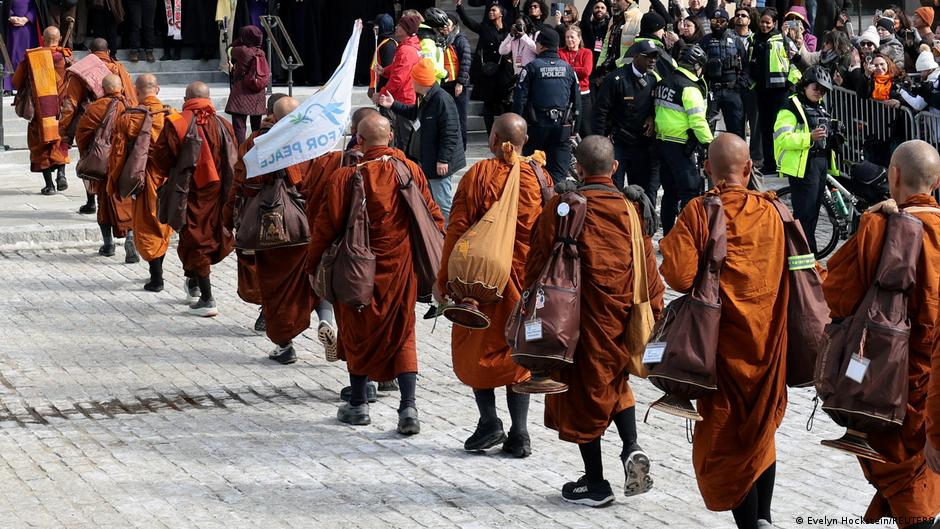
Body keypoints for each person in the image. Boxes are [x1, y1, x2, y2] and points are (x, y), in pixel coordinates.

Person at [525, 135, 664, 506]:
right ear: (614, 168)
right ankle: (630, 447)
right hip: (620, 317)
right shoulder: (630, 211)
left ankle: (595, 482)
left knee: (585, 392)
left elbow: (537, 263)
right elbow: (649, 272)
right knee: (614, 381)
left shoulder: (563, 206)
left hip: (573, 320)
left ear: (578, 169)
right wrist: (655, 312)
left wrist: (530, 309)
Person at [660, 133, 790, 529]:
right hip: (767, 344)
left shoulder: (700, 211)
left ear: (706, 169)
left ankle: (750, 525)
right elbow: (805, 271)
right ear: (749, 169)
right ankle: (764, 518)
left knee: (726, 441)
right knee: (760, 431)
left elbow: (678, 276)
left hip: (719, 347)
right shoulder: (776, 212)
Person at [825, 140, 940, 529]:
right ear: (937, 183)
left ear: (892, 177)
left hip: (892, 384)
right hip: (934, 384)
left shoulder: (880, 229)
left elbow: (835, 295)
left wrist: (869, 227)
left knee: (905, 480)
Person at [307, 113, 445, 434]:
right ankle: (408, 408)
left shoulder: (345, 177)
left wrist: (313, 263)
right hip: (400, 268)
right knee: (403, 332)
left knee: (356, 329)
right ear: (391, 137)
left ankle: (358, 404)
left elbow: (326, 228)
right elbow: (432, 217)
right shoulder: (409, 170)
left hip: (357, 269)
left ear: (359, 140)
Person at [437, 113, 548, 459]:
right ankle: (520, 433)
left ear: (493, 139)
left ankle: (489, 422)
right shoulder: (540, 178)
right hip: (525, 282)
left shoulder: (477, 176)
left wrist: (444, 279)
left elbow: (456, 229)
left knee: (475, 347)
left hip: (482, 285)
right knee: (518, 351)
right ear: (524, 141)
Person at [235, 97, 318, 365]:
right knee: (309, 281)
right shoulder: (313, 142)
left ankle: (285, 344)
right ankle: (325, 321)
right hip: (306, 224)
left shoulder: (257, 142)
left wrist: (233, 216)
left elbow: (243, 182)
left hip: (270, 227)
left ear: (271, 115)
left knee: (274, 285)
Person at [153, 81, 236, 317]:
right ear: (208, 98)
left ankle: (208, 299)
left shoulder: (177, 122)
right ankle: (195, 285)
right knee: (201, 237)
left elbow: (161, 159)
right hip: (219, 193)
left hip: (188, 193)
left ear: (186, 99)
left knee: (196, 239)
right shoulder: (223, 124)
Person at [224, 92, 288, 333]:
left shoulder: (254, 141)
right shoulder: (303, 139)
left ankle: (268, 312)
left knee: (266, 264)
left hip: (262, 213)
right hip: (299, 216)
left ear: (269, 114)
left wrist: (228, 216)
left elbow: (239, 179)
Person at [107, 73, 176, 292]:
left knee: (147, 225)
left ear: (136, 92)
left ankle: (157, 278)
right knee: (163, 224)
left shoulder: (129, 118)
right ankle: (160, 273)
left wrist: (116, 181)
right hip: (169, 179)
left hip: (144, 179)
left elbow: (117, 153)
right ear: (157, 89)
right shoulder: (172, 116)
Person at [378, 58, 466, 222]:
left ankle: (448, 235)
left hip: (438, 162)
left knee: (442, 202)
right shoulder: (425, 96)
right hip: (426, 157)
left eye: (413, 79)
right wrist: (393, 105)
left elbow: (451, 131)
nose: (410, 82)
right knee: (431, 199)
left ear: (420, 81)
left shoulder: (441, 99)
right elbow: (415, 113)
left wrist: (443, 160)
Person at [60, 38, 137, 213]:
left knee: (90, 159)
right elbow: (131, 97)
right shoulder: (119, 69)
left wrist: (64, 129)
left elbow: (70, 103)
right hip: (119, 118)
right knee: (118, 157)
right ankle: (116, 199)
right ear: (108, 52)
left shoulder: (82, 70)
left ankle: (91, 201)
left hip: (91, 120)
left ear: (89, 53)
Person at [773, 66, 838, 255]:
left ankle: (807, 256)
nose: (819, 92)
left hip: (820, 164)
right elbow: (782, 138)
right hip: (804, 166)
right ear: (805, 86)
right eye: (815, 88)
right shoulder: (791, 106)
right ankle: (805, 257)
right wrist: (809, 137)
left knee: (813, 216)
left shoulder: (821, 107)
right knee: (805, 216)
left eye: (823, 90)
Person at [654, 43, 712, 234]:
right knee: (690, 191)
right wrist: (710, 144)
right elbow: (697, 121)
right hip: (681, 146)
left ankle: (668, 235)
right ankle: (687, 236)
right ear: (697, 66)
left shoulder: (664, 82)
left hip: (662, 143)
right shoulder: (690, 88)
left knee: (670, 193)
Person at [74, 74, 133, 261]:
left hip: (103, 164)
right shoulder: (130, 107)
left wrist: (88, 154)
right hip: (125, 163)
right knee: (127, 201)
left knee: (103, 202)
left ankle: (108, 245)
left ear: (103, 89)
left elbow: (81, 135)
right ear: (121, 88)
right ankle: (131, 238)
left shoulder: (95, 108)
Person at [593, 39, 659, 200]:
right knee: (614, 189)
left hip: (642, 144)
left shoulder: (652, 80)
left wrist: (652, 116)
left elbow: (656, 105)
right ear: (636, 57)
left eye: (655, 57)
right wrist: (600, 142)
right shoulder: (616, 79)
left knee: (639, 191)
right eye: (648, 56)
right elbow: (600, 111)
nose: (652, 60)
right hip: (618, 143)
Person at [513, 28, 579, 184]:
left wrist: (518, 130)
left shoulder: (531, 68)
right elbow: (577, 102)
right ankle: (556, 206)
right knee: (559, 178)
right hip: (562, 130)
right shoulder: (568, 69)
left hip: (535, 129)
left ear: (541, 45)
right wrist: (575, 130)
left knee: (532, 176)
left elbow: (519, 101)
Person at [12, 26, 72, 196]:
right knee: (60, 141)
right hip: (60, 109)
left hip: (41, 109)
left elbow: (17, 81)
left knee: (41, 144)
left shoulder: (32, 57)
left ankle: (50, 186)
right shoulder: (66, 57)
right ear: (59, 39)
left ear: (43, 39)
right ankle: (61, 174)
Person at [750, 8, 795, 176]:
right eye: (762, 22)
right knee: (765, 129)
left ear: (774, 23)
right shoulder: (754, 39)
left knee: (781, 130)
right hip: (762, 92)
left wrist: (790, 84)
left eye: (768, 22)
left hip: (780, 92)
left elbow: (796, 63)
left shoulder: (783, 40)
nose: (764, 25)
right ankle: (769, 164)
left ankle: (783, 164)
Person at [457, 0, 512, 135]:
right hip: (489, 72)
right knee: (488, 104)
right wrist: (459, 7)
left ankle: (507, 132)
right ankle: (491, 134)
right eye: (490, 10)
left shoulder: (508, 30)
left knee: (506, 104)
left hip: (503, 71)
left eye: (494, 10)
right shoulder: (485, 28)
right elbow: (468, 22)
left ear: (501, 14)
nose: (490, 12)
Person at [698, 8, 747, 138]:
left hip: (732, 91)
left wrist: (741, 84)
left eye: (722, 21)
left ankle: (738, 157)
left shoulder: (736, 41)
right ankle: (706, 156)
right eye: (714, 21)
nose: (718, 24)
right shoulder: (704, 41)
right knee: (707, 128)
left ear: (727, 22)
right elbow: (696, 64)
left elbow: (746, 66)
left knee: (736, 129)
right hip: (712, 90)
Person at [378, 13, 421, 151]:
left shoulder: (406, 50)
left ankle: (408, 168)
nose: (396, 28)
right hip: (405, 98)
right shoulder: (407, 47)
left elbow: (398, 79)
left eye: (400, 26)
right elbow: (399, 67)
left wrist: (381, 94)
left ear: (407, 30)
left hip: (404, 99)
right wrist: (384, 71)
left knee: (405, 141)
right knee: (402, 139)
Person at [225, 25, 268, 145]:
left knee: (239, 127)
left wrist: (240, 39)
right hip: (258, 94)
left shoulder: (242, 51)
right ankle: (255, 150)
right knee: (256, 128)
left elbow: (228, 49)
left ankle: (241, 152)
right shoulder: (261, 53)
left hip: (242, 93)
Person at [733, 7, 762, 166]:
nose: (740, 18)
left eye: (743, 16)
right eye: (737, 15)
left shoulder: (755, 38)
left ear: (749, 21)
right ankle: (739, 157)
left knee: (755, 124)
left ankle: (756, 158)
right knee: (737, 124)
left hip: (752, 87)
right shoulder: (728, 37)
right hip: (734, 86)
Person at [590, 0, 642, 88]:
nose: (613, 2)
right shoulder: (614, 18)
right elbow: (606, 43)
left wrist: (615, 64)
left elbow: (635, 48)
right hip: (609, 72)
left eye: (617, 0)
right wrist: (600, 65)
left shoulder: (639, 18)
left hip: (626, 74)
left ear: (628, 1)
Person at [442, 14, 473, 148]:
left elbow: (466, 62)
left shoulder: (460, 39)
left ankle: (462, 146)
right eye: (443, 24)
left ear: (454, 25)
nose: (445, 27)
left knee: (460, 117)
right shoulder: (442, 40)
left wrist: (460, 83)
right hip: (445, 83)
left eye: (447, 24)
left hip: (457, 84)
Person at [559, 26, 593, 138]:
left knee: (585, 127)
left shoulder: (586, 52)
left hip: (583, 95)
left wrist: (569, 68)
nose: (569, 40)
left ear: (579, 38)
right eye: (567, 37)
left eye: (572, 37)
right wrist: (577, 69)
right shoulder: (560, 52)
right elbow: (561, 69)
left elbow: (586, 71)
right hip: (566, 94)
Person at [2, 0, 40, 93]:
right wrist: (11, 17)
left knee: (27, 57)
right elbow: (5, 5)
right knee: (12, 55)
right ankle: (9, 86)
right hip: (12, 28)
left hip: (28, 28)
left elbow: (37, 7)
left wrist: (26, 18)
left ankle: (28, 85)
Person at [369, 14, 398, 101]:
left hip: (387, 96)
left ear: (381, 27)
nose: (373, 29)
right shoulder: (386, 43)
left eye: (375, 26)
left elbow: (387, 74)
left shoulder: (388, 45)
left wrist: (381, 93)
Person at [580, 0, 609, 69]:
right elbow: (585, 16)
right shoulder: (587, 26)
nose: (599, 9)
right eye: (597, 7)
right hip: (589, 63)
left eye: (602, 8)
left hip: (604, 64)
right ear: (592, 10)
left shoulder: (609, 26)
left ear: (607, 11)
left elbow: (612, 9)